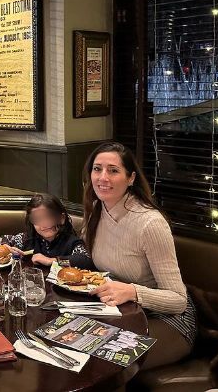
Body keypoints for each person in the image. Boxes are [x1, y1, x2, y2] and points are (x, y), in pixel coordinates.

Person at [82, 141, 196, 370]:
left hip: (167, 320)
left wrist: (132, 291)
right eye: (97, 169)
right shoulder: (97, 209)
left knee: (99, 362)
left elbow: (178, 300)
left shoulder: (150, 223)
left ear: (131, 178)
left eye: (113, 171)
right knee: (68, 340)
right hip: (122, 312)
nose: (103, 177)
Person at [0, 193, 95, 269]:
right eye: (37, 219)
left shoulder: (71, 242)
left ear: (61, 218)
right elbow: (5, 239)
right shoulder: (28, 239)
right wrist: (6, 248)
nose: (44, 224)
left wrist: (52, 261)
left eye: (49, 217)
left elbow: (85, 260)